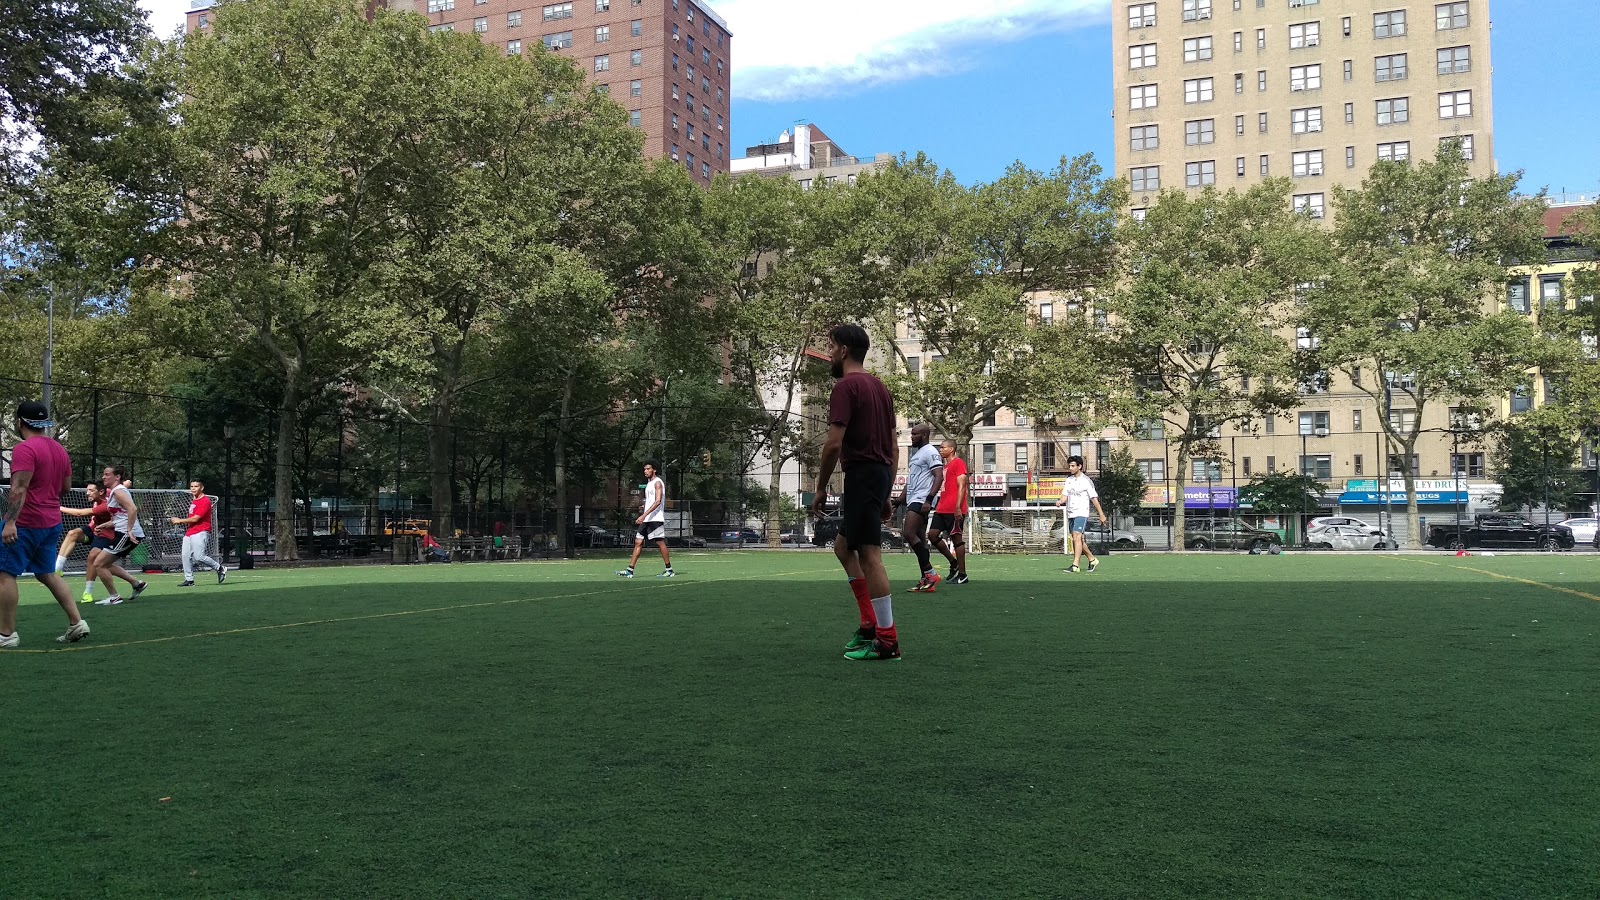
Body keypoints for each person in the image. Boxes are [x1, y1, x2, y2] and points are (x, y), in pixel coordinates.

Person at [811, 323, 901, 661]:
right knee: (842, 547)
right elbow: (892, 447)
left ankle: (887, 641)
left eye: (831, 346)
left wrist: (820, 488)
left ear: (844, 350)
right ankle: (868, 626)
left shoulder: (846, 387)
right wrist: (887, 491)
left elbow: (833, 444)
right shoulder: (880, 388)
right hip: (875, 476)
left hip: (862, 475)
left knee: (869, 555)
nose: (829, 353)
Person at [0, 401, 90, 648]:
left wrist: (10, 522)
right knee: (46, 573)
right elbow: (66, 488)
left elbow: (19, 487)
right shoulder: (60, 450)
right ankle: (76, 623)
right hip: (51, 522)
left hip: (27, 523)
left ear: (20, 422)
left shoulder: (24, 449)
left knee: (4, 574)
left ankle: (6, 635)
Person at [56, 481, 120, 602]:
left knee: (94, 559)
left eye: (90, 490)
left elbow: (79, 513)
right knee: (72, 534)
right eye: (87, 490)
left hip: (106, 533)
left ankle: (88, 592)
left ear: (100, 492)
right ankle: (57, 569)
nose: (87, 493)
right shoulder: (106, 492)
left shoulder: (106, 504)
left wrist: (57, 507)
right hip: (93, 529)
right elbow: (120, 487)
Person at [902, 422, 944, 593]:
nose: (911, 437)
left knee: (908, 534)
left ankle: (931, 573)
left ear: (924, 435)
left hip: (921, 499)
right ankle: (926, 580)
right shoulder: (917, 454)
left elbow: (939, 476)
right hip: (914, 498)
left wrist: (929, 499)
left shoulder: (931, 452)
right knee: (919, 538)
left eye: (914, 434)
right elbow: (912, 479)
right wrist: (899, 499)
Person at [97, 466, 149, 604]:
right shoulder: (116, 492)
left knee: (99, 564)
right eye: (103, 474)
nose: (104, 477)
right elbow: (120, 517)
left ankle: (114, 597)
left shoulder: (119, 491)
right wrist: (103, 525)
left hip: (126, 534)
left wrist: (130, 530)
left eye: (107, 474)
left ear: (117, 477)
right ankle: (137, 584)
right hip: (123, 533)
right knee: (105, 564)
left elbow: (133, 509)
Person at [617, 462, 674, 578]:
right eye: (644, 469)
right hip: (647, 518)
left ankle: (669, 570)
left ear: (654, 470)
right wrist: (644, 508)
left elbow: (658, 501)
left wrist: (643, 515)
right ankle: (630, 570)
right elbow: (651, 501)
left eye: (648, 469)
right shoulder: (649, 484)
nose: (645, 471)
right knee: (638, 541)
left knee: (660, 542)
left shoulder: (657, 483)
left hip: (655, 519)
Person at [1056, 455, 1108, 574]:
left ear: (1079, 466)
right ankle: (1092, 559)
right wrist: (1060, 501)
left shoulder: (1086, 481)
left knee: (1076, 537)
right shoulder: (1069, 480)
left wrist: (1101, 514)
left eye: (1073, 466)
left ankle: (1075, 565)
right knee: (1078, 540)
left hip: (1081, 513)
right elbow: (1065, 495)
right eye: (1069, 466)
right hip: (1071, 513)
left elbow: (1094, 499)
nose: (1070, 468)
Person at [170, 479, 227, 587]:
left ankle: (220, 568)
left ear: (201, 488)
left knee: (199, 556)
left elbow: (196, 519)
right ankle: (189, 580)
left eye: (196, 486)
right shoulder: (194, 500)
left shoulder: (205, 501)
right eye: (191, 486)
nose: (193, 489)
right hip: (190, 532)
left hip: (201, 531)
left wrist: (179, 521)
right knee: (185, 556)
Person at [928, 439, 969, 584]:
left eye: (942, 447)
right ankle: (953, 562)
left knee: (957, 539)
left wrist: (958, 507)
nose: (940, 450)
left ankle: (963, 575)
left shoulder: (958, 463)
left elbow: (962, 485)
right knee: (932, 535)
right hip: (942, 508)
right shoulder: (944, 467)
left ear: (951, 449)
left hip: (954, 509)